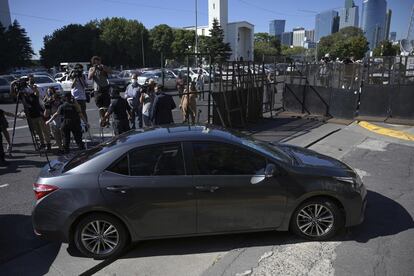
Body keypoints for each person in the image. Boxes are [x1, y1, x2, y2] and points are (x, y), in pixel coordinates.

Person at [21, 75, 51, 150]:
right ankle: (42, 143)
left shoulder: (38, 88)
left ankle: (48, 143)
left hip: (41, 111)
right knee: (37, 131)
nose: (31, 81)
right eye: (30, 80)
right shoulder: (25, 89)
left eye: (32, 79)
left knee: (44, 129)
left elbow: (40, 96)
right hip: (32, 113)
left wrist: (34, 89)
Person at [88, 56, 111, 127]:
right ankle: (103, 119)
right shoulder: (92, 69)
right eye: (95, 62)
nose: (97, 63)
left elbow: (110, 72)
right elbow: (89, 77)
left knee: (107, 105)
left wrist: (103, 68)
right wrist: (95, 69)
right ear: (93, 62)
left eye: (98, 61)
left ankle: (107, 120)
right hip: (97, 90)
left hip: (105, 88)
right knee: (100, 106)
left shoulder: (103, 67)